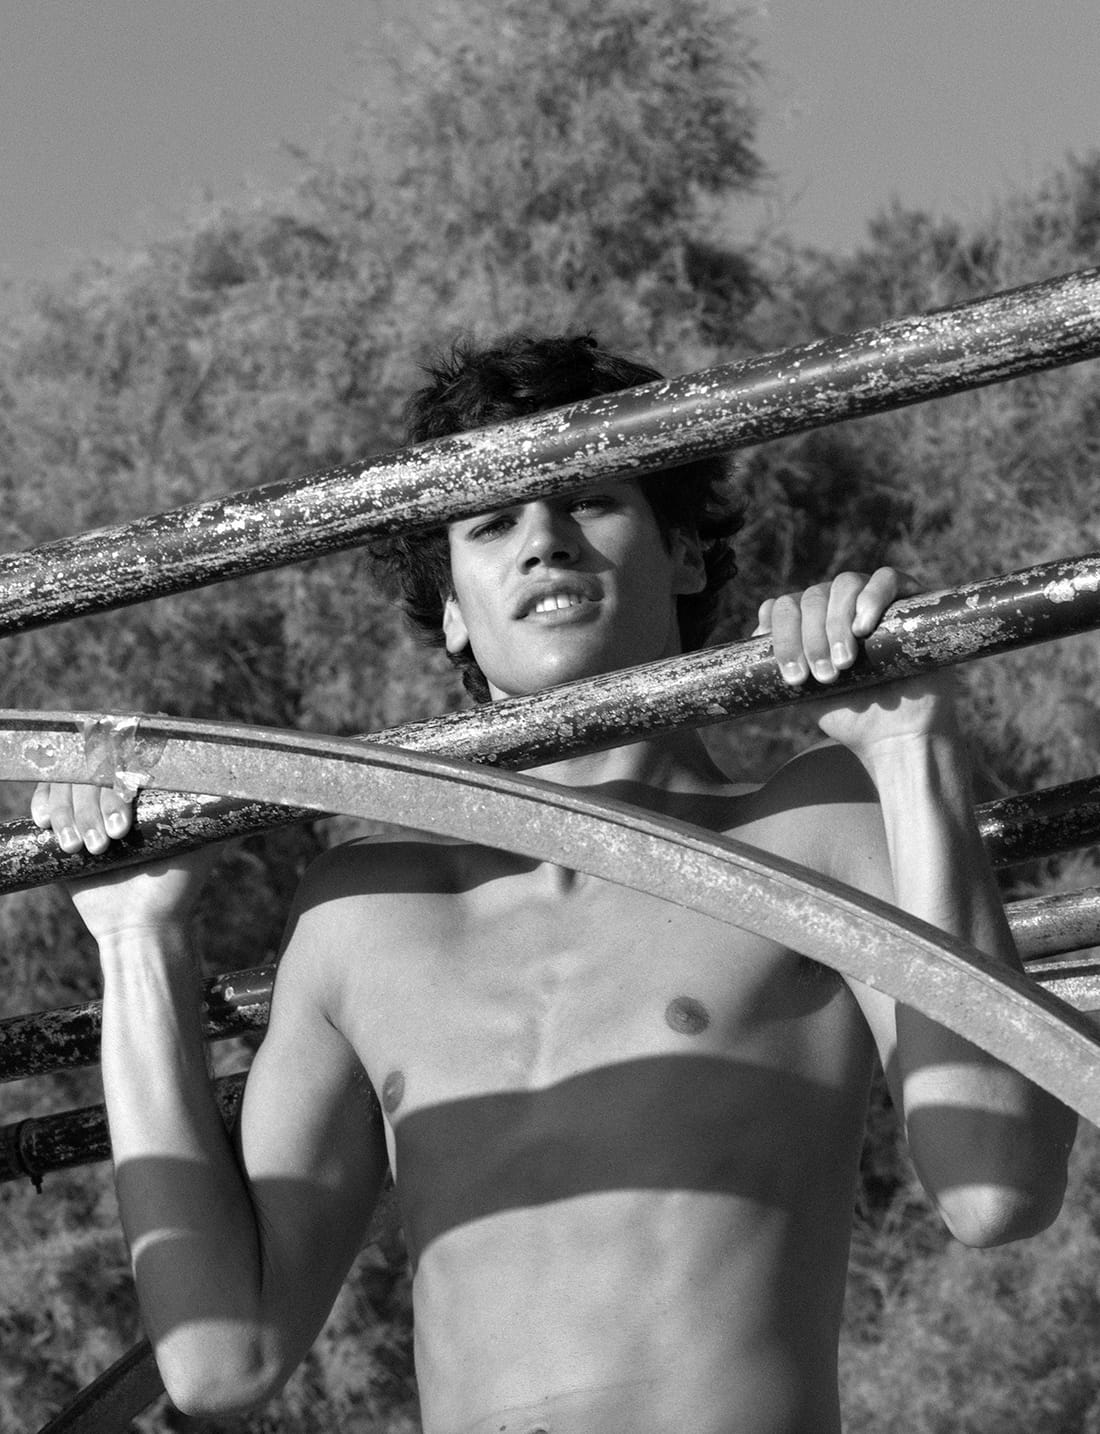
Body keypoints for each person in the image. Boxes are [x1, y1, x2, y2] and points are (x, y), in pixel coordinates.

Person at [33, 334, 1076, 1434]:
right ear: (450, 608)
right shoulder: (362, 912)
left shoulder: (807, 824)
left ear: (683, 552)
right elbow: (221, 1358)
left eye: (588, 499)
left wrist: (911, 747)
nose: (542, 541)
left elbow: (995, 1187)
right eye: (490, 524)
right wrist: (137, 940)